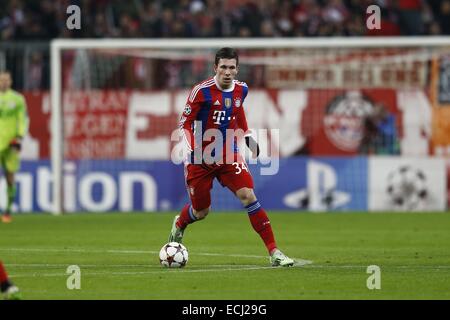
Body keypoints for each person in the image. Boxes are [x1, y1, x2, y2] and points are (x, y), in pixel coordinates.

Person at [169, 47, 294, 267]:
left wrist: (246, 136)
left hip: (228, 153)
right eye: (223, 67)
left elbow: (237, 112)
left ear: (237, 70)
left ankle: (274, 252)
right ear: (215, 67)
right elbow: (184, 124)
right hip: (200, 158)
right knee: (201, 211)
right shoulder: (201, 91)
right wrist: (194, 149)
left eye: (232, 67)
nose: (227, 72)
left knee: (248, 195)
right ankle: (180, 223)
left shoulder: (241, 90)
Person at [0, 71, 29, 223]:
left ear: (10, 81)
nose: (4, 82)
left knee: (10, 177)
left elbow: (22, 119)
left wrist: (19, 137)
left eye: (6, 80)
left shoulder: (17, 99)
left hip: (11, 143)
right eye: (1, 80)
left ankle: (8, 211)